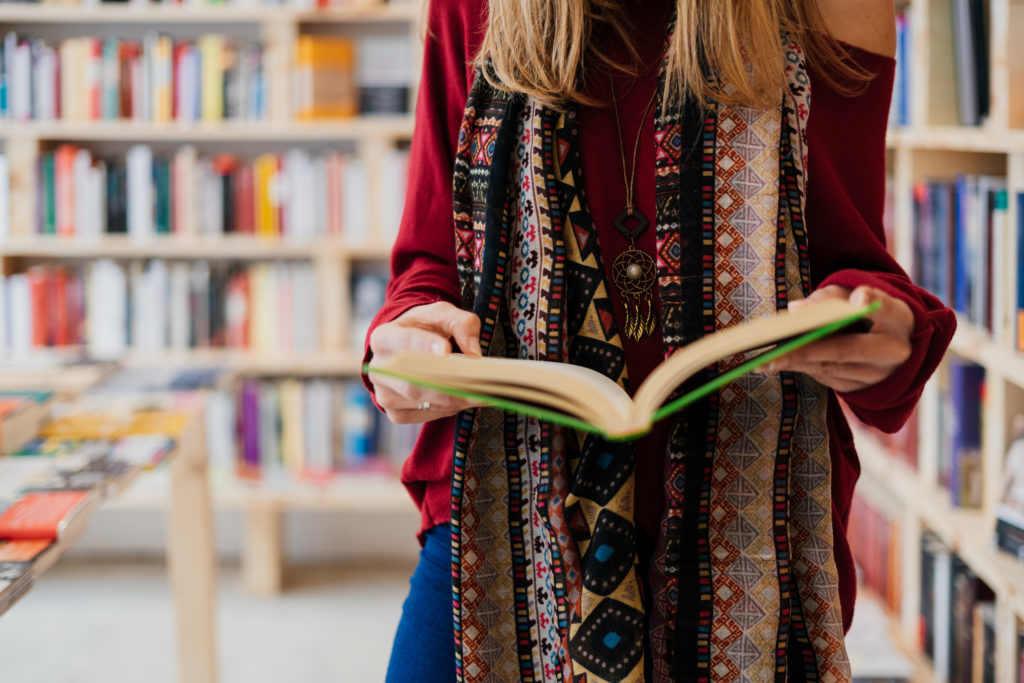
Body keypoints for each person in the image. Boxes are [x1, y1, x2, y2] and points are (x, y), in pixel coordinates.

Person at [364, 0, 956, 680]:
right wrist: (406, 346)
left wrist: (879, 330)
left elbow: (850, 260)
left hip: (750, 538)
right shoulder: (472, 9)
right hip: (503, 524)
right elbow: (429, 266)